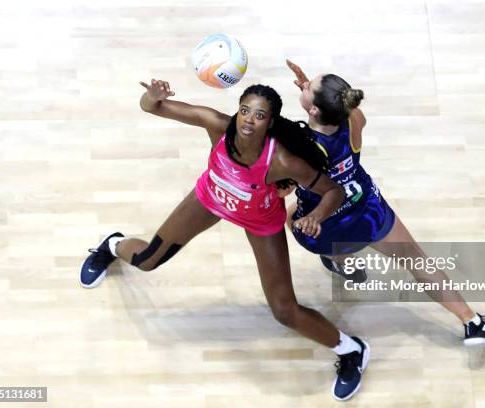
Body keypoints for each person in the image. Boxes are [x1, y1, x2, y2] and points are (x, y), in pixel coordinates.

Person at [79, 79, 370, 401]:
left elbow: (333, 190)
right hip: (209, 200)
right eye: (244, 111)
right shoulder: (217, 125)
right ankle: (111, 244)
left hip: (260, 220)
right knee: (148, 260)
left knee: (285, 311)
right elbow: (153, 107)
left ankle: (351, 350)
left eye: (259, 116)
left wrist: (317, 216)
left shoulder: (283, 161)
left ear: (270, 123)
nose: (248, 119)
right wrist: (152, 97)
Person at [284, 60, 485, 346]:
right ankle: (471, 322)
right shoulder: (355, 120)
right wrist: (310, 93)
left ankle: (343, 264)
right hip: (368, 212)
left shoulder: (298, 148)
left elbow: (283, 188)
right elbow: (340, 109)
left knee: (291, 217)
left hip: (327, 226)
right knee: (417, 260)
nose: (306, 83)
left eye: (310, 86)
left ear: (313, 110)